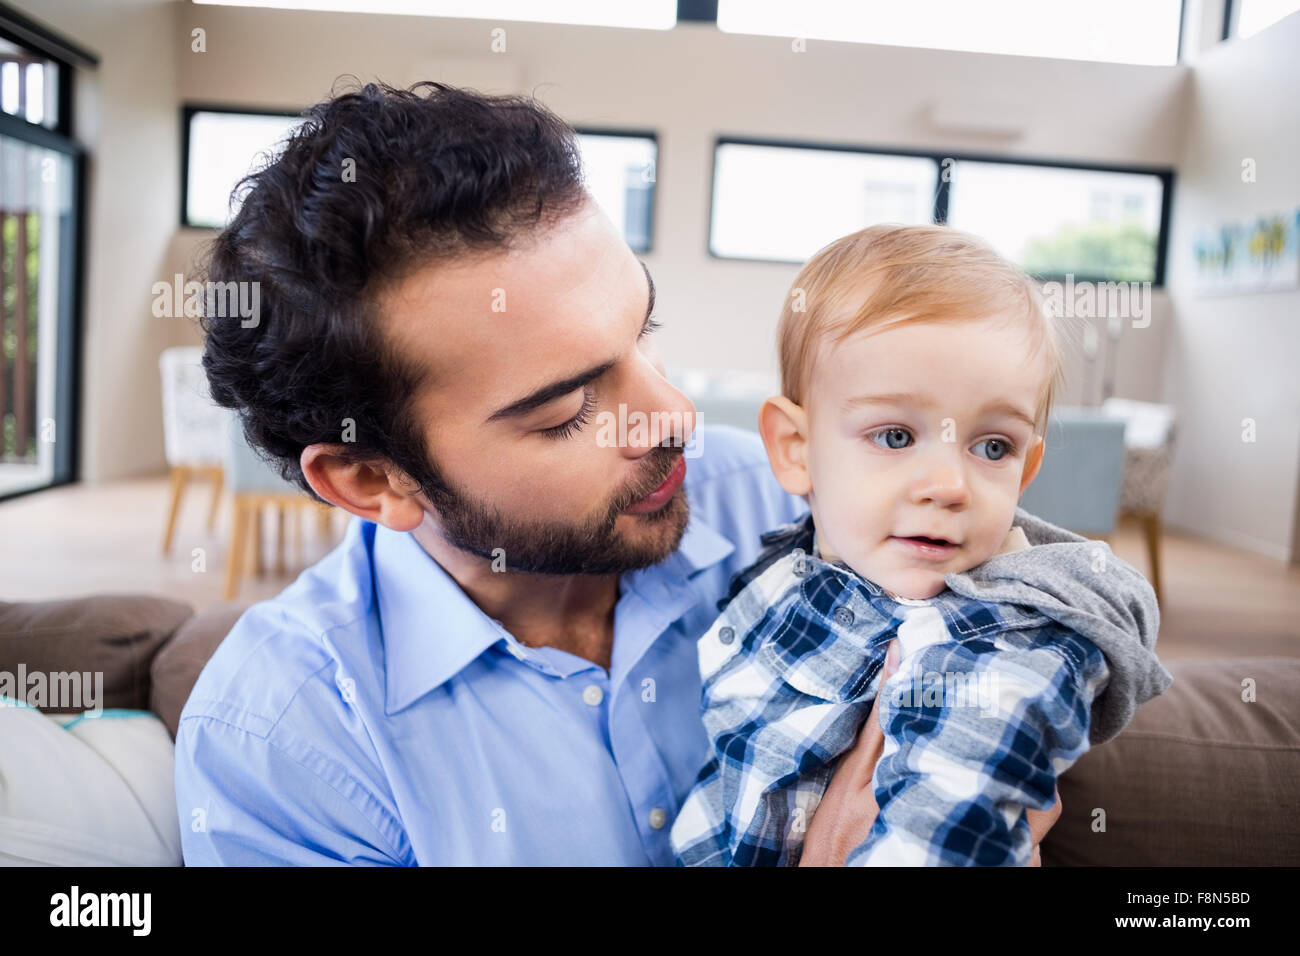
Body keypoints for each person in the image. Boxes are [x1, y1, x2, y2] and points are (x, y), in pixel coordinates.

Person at [178, 81, 1082, 864]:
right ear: (373, 481)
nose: (677, 417)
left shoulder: (796, 499)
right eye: (567, 409)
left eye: (642, 333)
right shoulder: (281, 746)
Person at [670, 224, 1173, 866]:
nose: (948, 486)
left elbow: (943, 830)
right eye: (895, 437)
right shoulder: (780, 571)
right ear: (797, 451)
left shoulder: (1005, 645)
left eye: (993, 447)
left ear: (1025, 470)